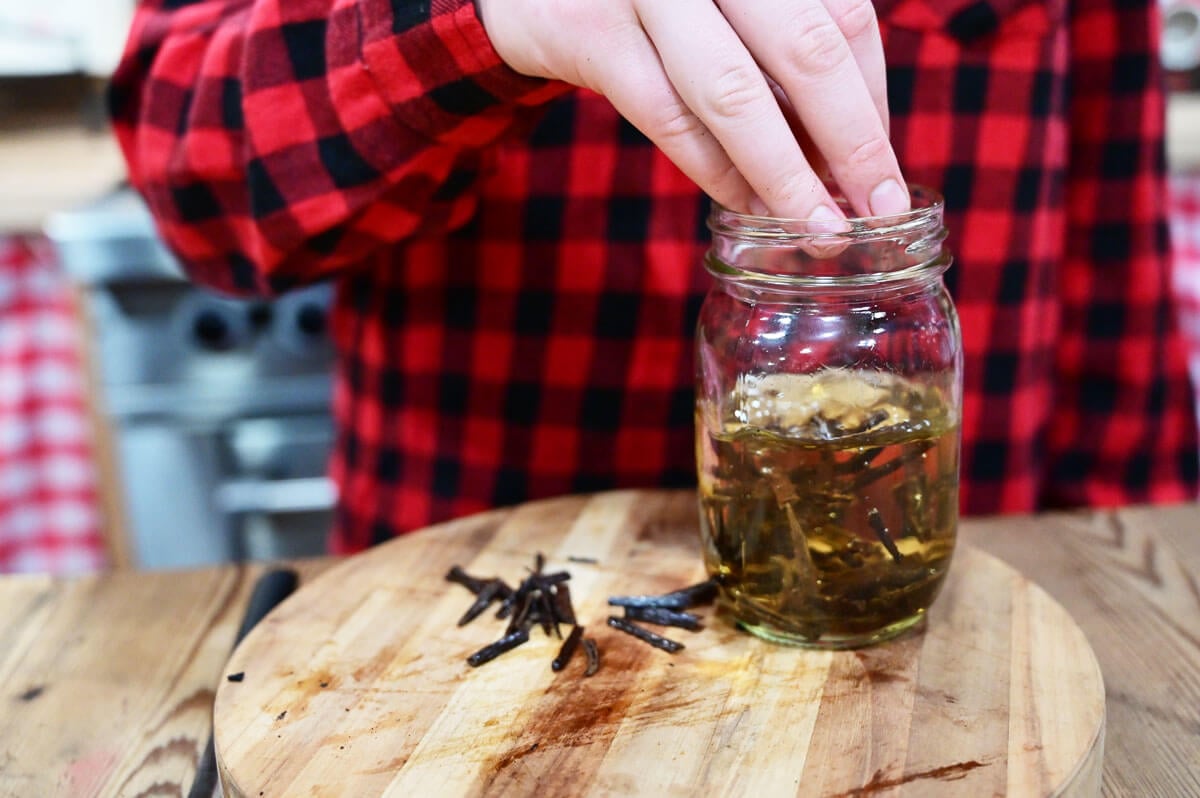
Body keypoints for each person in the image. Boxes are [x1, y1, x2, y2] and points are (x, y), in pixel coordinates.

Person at [108, 0, 1198, 553]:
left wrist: (1122, 604)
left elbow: (1120, 318)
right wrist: (473, 20)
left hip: (930, 676)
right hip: (452, 667)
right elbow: (192, 180)